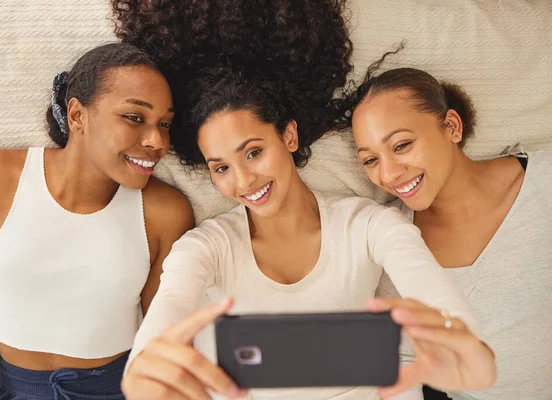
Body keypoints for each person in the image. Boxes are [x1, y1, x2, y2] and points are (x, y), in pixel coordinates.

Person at [112, 2, 496, 398]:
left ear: (289, 138)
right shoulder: (207, 246)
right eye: (221, 168)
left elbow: (425, 282)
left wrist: (467, 345)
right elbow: (172, 300)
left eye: (253, 152)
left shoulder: (368, 225)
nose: (243, 180)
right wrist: (144, 366)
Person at [0, 42, 193, 399]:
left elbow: (162, 337)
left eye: (165, 124)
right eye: (134, 117)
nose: (157, 140)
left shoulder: (165, 212)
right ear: (78, 115)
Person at [344, 64, 552, 400]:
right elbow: (402, 362)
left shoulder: (544, 182)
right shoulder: (390, 243)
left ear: (451, 127)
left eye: (401, 145)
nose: (389, 174)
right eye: (370, 160)